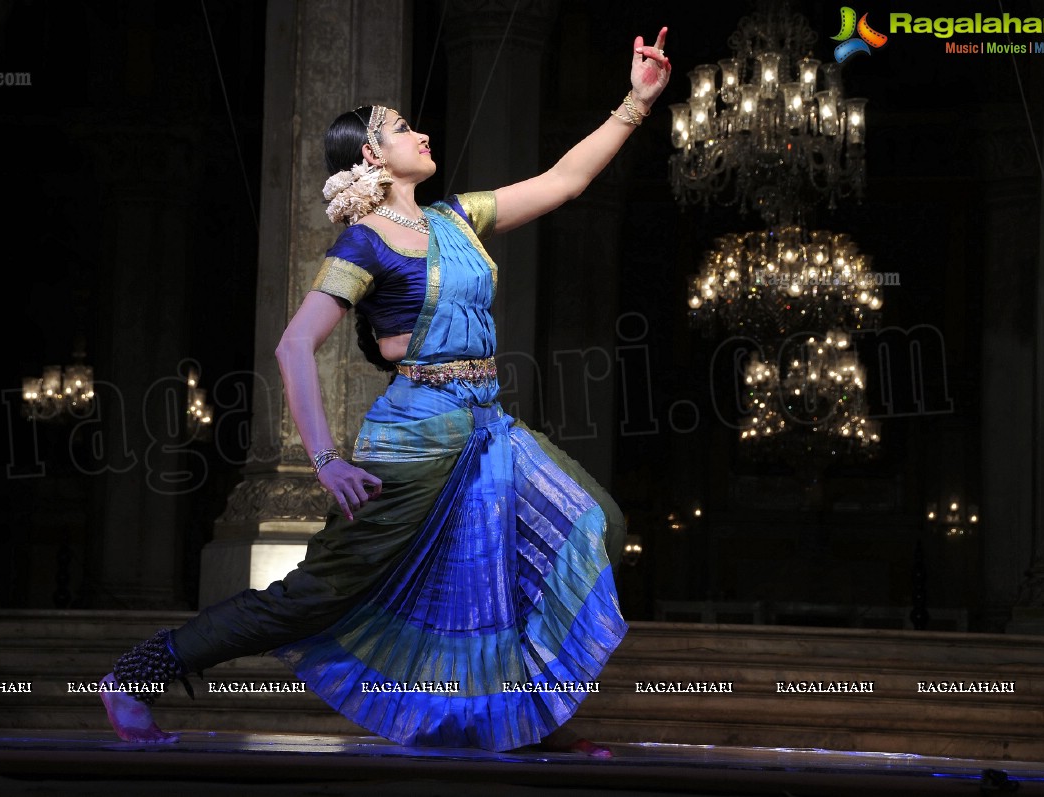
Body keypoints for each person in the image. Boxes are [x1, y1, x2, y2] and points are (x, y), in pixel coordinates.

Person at [100, 27, 671, 756]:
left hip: (486, 430)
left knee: (591, 525)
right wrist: (325, 459)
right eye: (402, 128)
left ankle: (517, 720)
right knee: (317, 595)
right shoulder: (363, 243)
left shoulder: (457, 218)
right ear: (371, 155)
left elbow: (564, 182)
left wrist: (636, 100)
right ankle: (139, 670)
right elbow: (293, 344)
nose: (420, 132)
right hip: (414, 437)